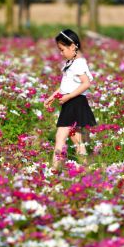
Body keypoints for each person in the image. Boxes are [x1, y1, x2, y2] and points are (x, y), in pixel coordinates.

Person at [44, 29, 97, 171]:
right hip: (71, 102)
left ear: (73, 46)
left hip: (75, 102)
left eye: (62, 50)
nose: (61, 53)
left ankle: (55, 168)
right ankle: (86, 166)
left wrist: (68, 97)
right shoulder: (71, 62)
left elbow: (86, 83)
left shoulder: (79, 63)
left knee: (60, 136)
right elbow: (64, 86)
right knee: (75, 137)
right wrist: (52, 97)